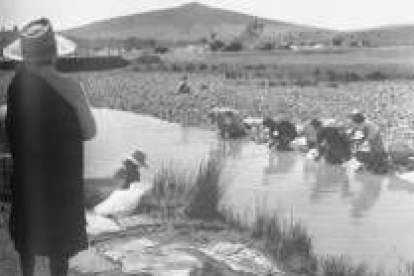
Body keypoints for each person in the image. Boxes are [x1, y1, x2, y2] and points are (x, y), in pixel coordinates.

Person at [4, 18, 96, 276]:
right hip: (61, 183)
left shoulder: (16, 87)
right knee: (60, 248)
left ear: (24, 55)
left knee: (26, 240)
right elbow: (90, 132)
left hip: (27, 178)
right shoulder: (70, 86)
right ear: (54, 51)